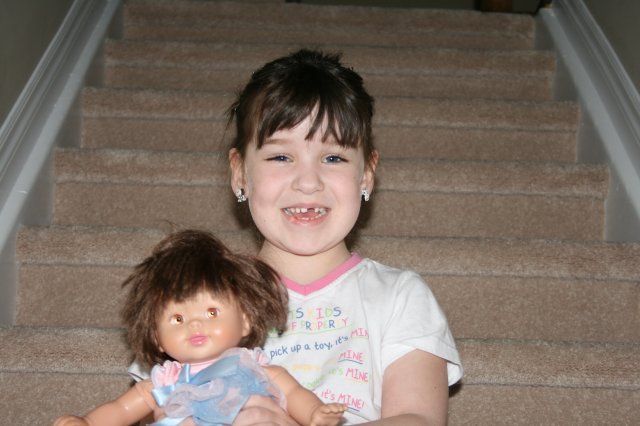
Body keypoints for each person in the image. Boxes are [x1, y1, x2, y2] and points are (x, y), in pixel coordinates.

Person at [226, 49, 463, 425]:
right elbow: (164, 405)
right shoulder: (199, 291)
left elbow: (418, 418)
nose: (308, 182)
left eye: (333, 158)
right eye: (280, 157)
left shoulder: (400, 296)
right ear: (240, 173)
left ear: (366, 175)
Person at [53, 229, 347, 426]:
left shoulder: (254, 367)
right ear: (156, 337)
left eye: (211, 312)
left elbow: (294, 395)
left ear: (245, 321)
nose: (195, 323)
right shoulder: (165, 382)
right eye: (177, 319)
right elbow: (121, 409)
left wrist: (314, 413)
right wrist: (87, 422)